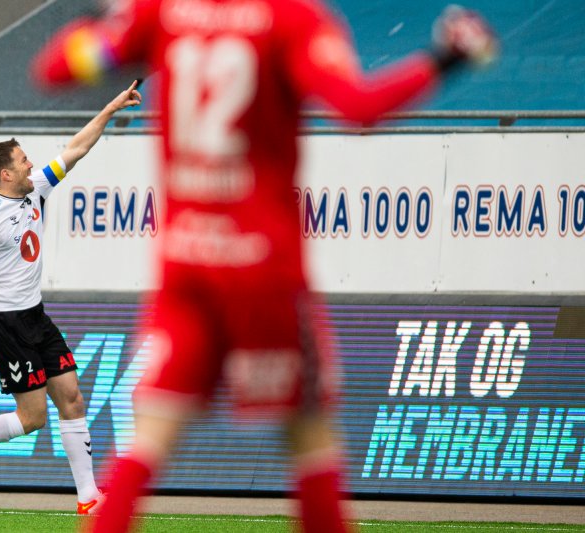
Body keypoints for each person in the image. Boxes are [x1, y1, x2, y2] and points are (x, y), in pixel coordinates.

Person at [30, 1, 498, 532]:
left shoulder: (162, 12)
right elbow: (358, 107)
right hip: (264, 271)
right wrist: (446, 57)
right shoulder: (293, 17)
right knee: (310, 438)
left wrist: (112, 21)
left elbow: (53, 68)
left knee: (149, 438)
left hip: (187, 264)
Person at [0, 83, 142, 515]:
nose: (32, 164)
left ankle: (87, 498)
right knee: (33, 419)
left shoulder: (37, 189)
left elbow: (77, 148)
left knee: (73, 398)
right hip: (5, 325)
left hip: (37, 317)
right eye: (23, 160)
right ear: (5, 174)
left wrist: (112, 107)